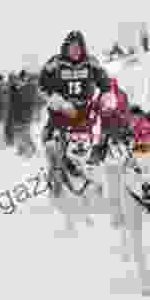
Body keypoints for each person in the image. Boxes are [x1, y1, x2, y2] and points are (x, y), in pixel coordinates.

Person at [38, 30, 117, 196]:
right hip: (60, 113)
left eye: (78, 47)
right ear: (66, 47)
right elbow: (42, 86)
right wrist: (58, 102)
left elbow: (105, 84)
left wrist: (106, 97)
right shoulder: (55, 63)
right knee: (49, 141)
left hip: (85, 112)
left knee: (102, 137)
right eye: (72, 47)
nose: (75, 51)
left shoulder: (91, 62)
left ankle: (99, 172)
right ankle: (56, 180)